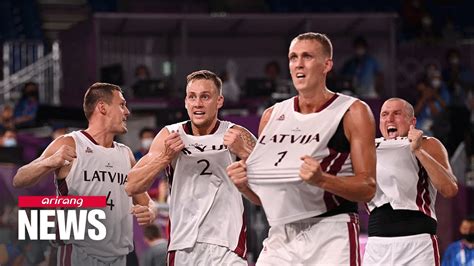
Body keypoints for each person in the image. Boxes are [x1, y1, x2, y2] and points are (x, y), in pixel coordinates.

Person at [227, 32, 377, 265]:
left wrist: (322, 180)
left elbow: (368, 188)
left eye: (307, 56)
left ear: (327, 64)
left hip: (331, 230)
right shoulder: (272, 115)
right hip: (281, 232)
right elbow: (264, 198)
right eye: (293, 57)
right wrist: (244, 186)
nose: (298, 63)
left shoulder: (353, 111)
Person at [12, 82, 156, 266]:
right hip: (79, 254)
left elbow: (146, 201)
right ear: (102, 107)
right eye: (122, 105)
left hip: (119, 258)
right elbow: (19, 178)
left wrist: (150, 212)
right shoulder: (71, 143)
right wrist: (50, 162)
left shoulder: (126, 154)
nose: (127, 112)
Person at [125, 70, 256, 265]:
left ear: (219, 101)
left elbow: (270, 181)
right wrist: (165, 158)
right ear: (186, 102)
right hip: (183, 246)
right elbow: (131, 186)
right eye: (192, 97)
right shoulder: (170, 134)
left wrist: (244, 152)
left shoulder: (236, 134)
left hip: (228, 245)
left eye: (205, 97)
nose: (198, 104)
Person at [363, 98, 458, 265]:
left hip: (417, 243)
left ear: (412, 121)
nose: (389, 119)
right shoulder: (368, 148)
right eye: (384, 114)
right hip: (377, 244)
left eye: (397, 114)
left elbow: (450, 189)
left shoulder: (428, 144)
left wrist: (418, 150)